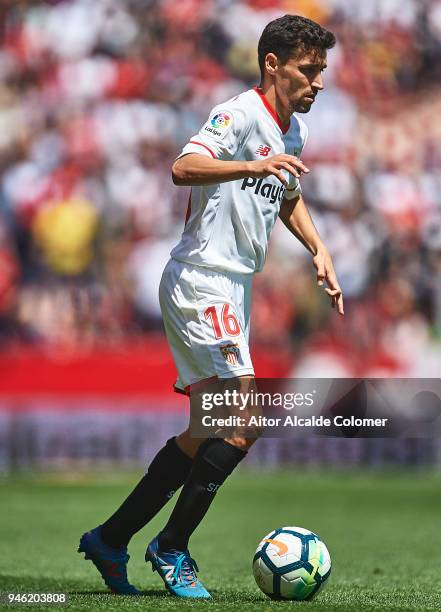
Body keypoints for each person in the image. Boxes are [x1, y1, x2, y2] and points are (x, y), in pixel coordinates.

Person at [78, 14, 343, 599]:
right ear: (272, 64)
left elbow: (288, 194)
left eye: (322, 70)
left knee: (206, 430)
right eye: (308, 69)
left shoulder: (289, 131)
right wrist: (250, 163)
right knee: (243, 416)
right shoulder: (239, 114)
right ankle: (171, 546)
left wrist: (319, 248)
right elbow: (183, 167)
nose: (318, 82)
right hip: (202, 279)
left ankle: (111, 537)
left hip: (233, 289)